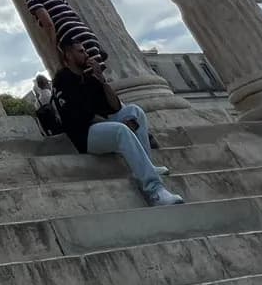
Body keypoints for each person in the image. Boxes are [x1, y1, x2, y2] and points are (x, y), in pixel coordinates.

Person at [53, 39, 183, 207]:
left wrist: (101, 78)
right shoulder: (62, 80)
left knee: (134, 111)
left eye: (85, 51)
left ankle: (147, 164)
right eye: (80, 51)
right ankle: (155, 191)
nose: (86, 54)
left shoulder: (89, 78)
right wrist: (117, 123)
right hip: (84, 136)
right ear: (68, 55)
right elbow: (76, 116)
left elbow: (114, 106)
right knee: (121, 130)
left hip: (100, 126)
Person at [9, 0, 106, 66]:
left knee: (89, 76)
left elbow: (48, 23)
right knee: (97, 73)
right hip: (84, 32)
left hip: (71, 37)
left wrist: (54, 48)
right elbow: (72, 11)